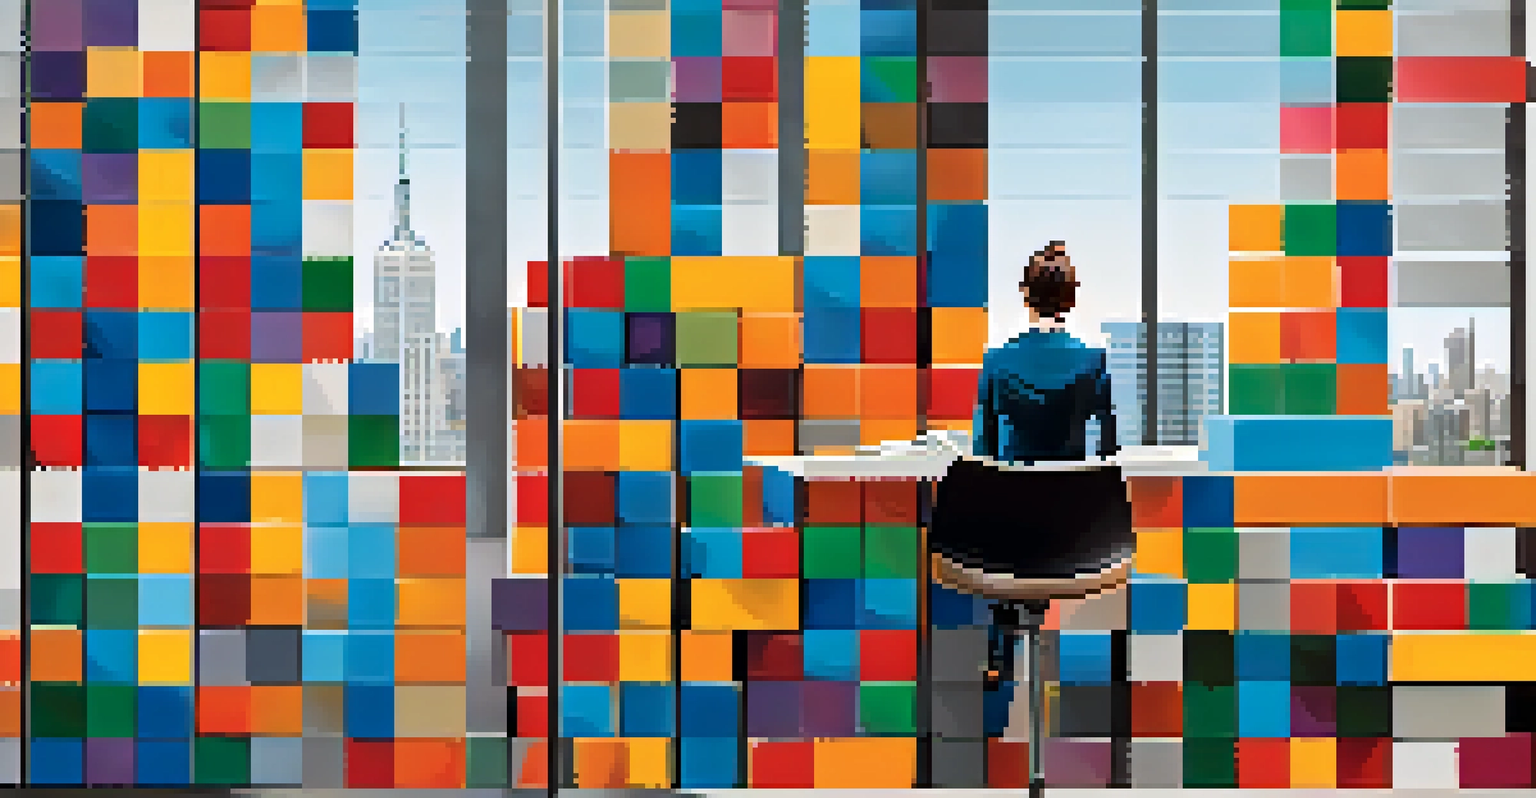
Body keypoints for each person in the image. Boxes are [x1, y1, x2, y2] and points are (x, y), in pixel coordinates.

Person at [964, 240, 1120, 737]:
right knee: (1035, 533)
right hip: (1075, 540)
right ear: (1070, 299)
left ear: (1025, 297)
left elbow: (983, 453)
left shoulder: (996, 363)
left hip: (1014, 536)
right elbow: (1109, 453)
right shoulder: (1093, 362)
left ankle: (999, 651)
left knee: (1003, 531)